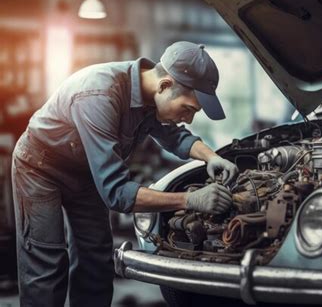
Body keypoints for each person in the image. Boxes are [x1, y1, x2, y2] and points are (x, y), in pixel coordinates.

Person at [11, 41, 239, 307]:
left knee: (95, 259)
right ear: (165, 85)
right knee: (48, 261)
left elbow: (174, 136)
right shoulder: (99, 94)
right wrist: (190, 200)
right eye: (188, 109)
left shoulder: (151, 97)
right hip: (40, 168)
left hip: (86, 173)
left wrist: (212, 156)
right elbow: (117, 193)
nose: (188, 119)